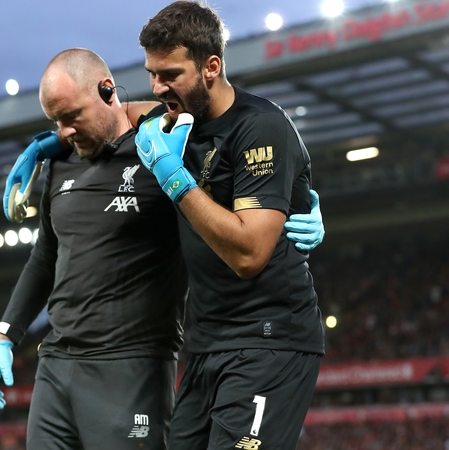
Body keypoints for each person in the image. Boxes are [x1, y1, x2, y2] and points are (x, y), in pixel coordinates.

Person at [0, 47, 324, 449]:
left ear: (108, 91)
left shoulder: (164, 150)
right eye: (55, 121)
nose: (66, 131)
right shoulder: (59, 162)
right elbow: (44, 258)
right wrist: (4, 336)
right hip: (56, 364)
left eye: (73, 116)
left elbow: (241, 165)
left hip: (134, 365)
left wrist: (303, 205)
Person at [134, 2, 325, 449]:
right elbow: (113, 113)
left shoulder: (261, 127)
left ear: (211, 67)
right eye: (152, 74)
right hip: (206, 344)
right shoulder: (174, 118)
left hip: (268, 340)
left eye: (170, 75)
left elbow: (249, 255)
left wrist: (173, 177)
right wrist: (48, 142)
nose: (158, 88)